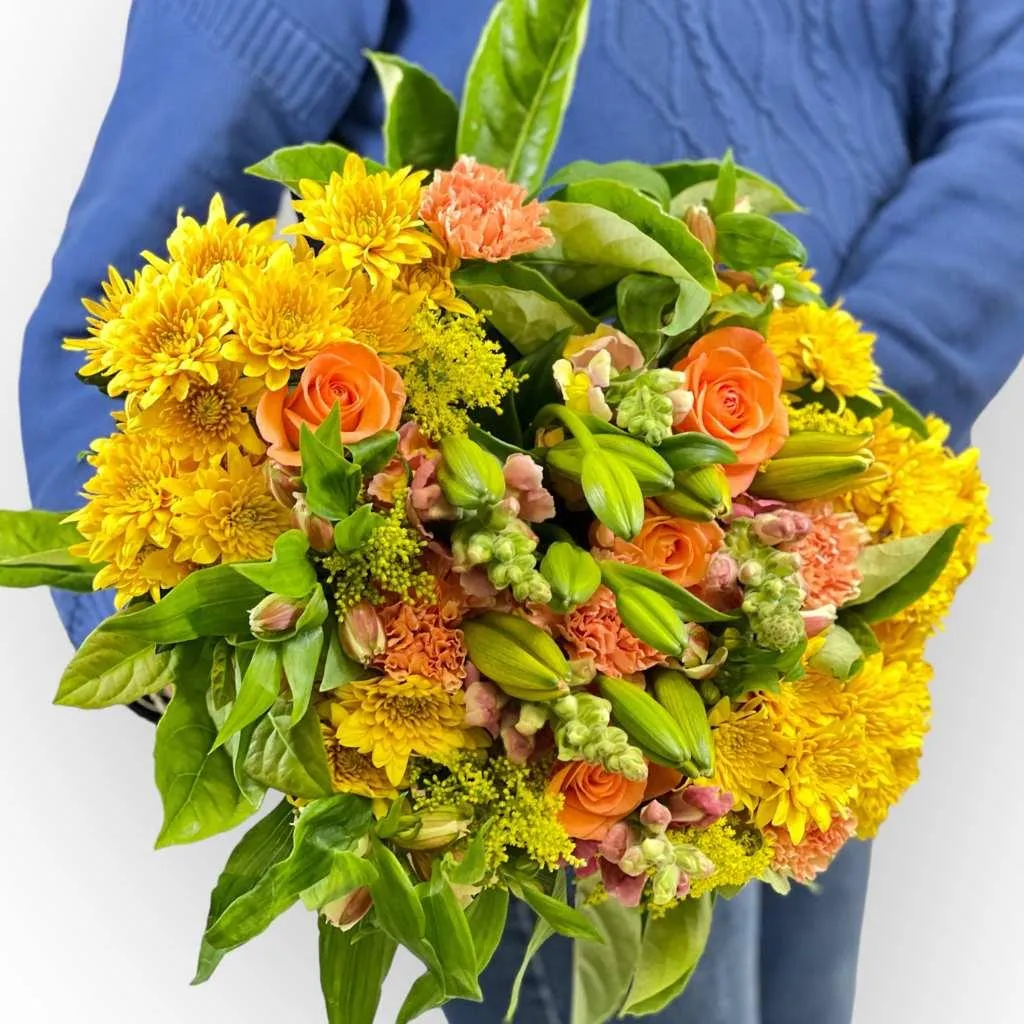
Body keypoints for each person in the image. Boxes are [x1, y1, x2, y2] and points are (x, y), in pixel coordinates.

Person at [19, 2, 1024, 1022]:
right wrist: (191, 631)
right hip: (523, 661)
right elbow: (108, 302)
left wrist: (813, 411)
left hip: (790, 603)